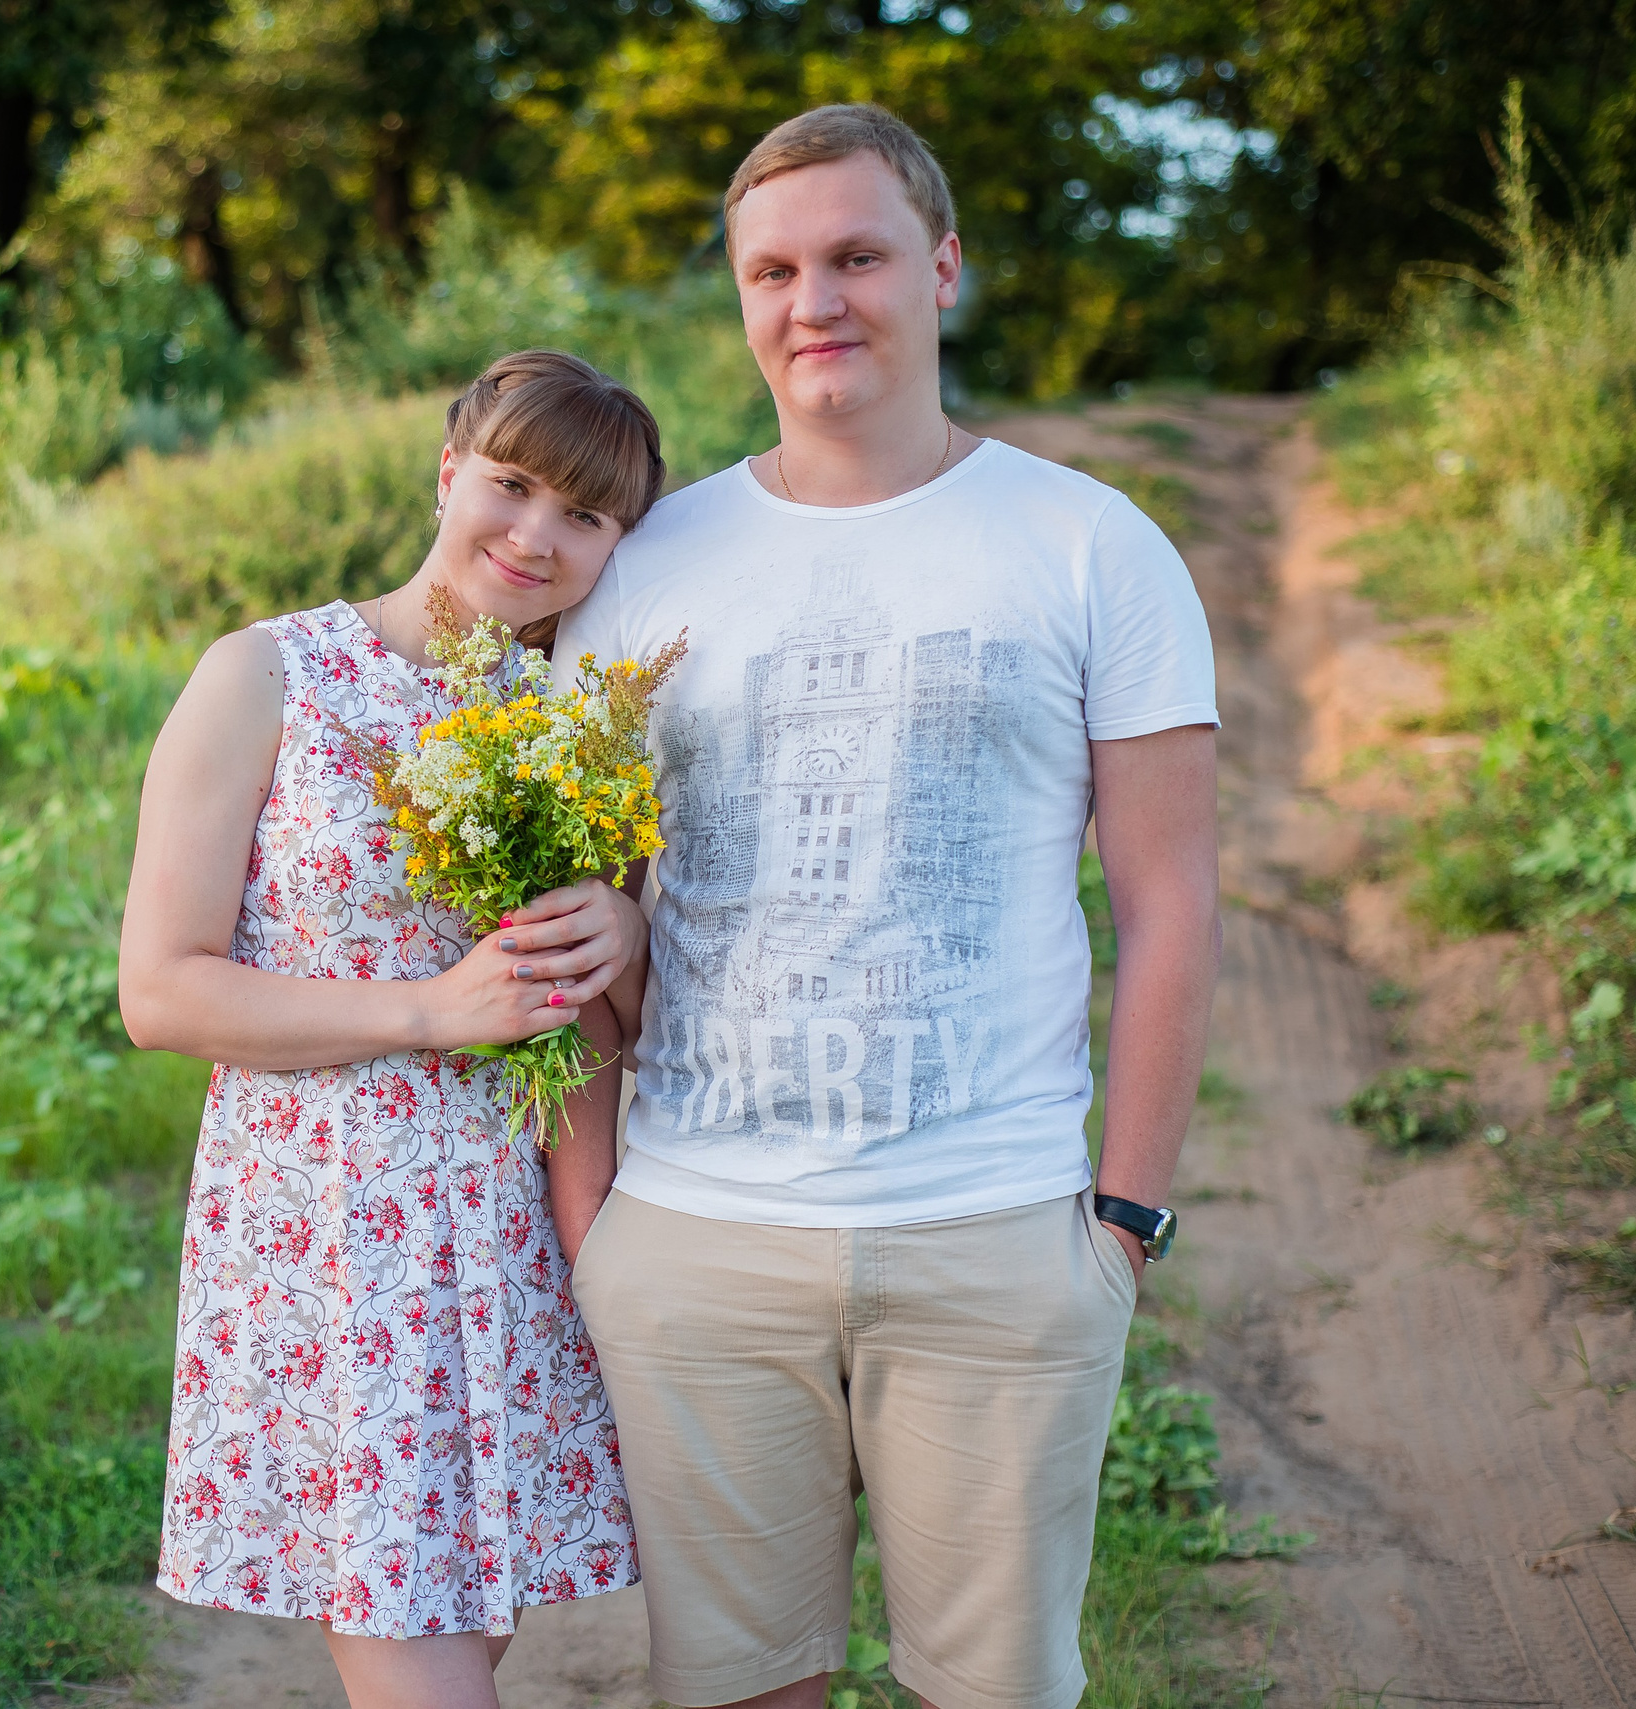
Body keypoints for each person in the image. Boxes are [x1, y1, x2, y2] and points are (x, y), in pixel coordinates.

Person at [552, 105, 1222, 1709]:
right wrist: (598, 1234)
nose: (816, 301)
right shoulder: (648, 561)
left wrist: (1120, 1221)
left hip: (992, 1226)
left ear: (941, 265)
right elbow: (573, 917)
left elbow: (1174, 899)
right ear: (739, 297)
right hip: (701, 1232)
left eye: (855, 255)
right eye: (773, 269)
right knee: (730, 1687)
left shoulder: (1089, 544)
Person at [118, 349, 667, 1709]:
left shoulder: (580, 730)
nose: (536, 535)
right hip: (329, 1230)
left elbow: (629, 1027)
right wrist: (428, 1009)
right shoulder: (267, 677)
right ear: (447, 471)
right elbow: (163, 988)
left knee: (451, 1652)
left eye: (585, 516)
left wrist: (632, 939)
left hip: (518, 1234)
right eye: (512, 484)